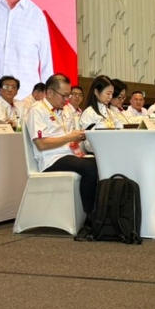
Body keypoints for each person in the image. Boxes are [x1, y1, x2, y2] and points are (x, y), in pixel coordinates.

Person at [25, 74, 99, 213]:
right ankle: (90, 215)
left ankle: (101, 210)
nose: (67, 100)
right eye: (64, 96)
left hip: (68, 154)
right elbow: (41, 144)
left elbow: (66, 137)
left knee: (100, 163)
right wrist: (70, 137)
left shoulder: (64, 110)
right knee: (90, 169)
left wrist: (77, 137)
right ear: (50, 93)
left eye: (68, 95)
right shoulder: (37, 110)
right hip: (51, 159)